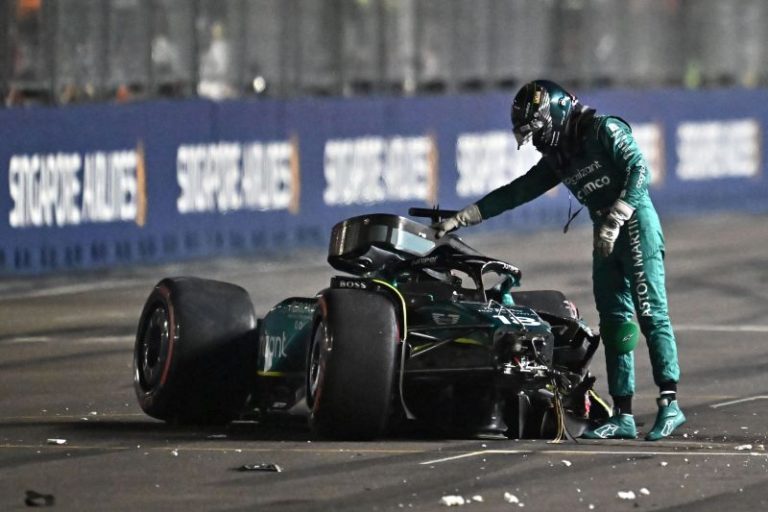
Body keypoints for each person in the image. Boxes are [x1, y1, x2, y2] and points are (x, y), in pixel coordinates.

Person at [434, 79, 685, 441]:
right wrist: (463, 217)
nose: (535, 140)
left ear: (555, 112)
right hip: (605, 234)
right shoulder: (558, 159)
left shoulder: (604, 129)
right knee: (614, 322)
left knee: (650, 312)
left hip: (635, 226)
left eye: (537, 129)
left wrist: (617, 216)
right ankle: (623, 414)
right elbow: (516, 192)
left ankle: (669, 404)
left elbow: (640, 170)